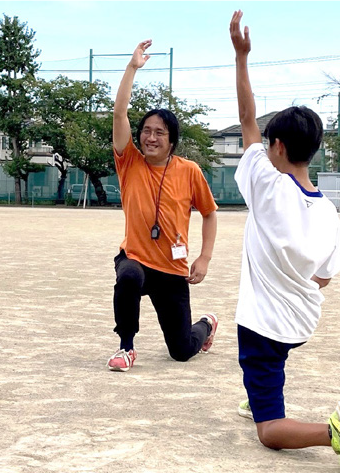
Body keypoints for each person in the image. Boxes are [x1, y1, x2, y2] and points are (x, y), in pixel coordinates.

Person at [229, 10, 340, 473]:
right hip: (303, 321)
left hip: (262, 326)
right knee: (271, 364)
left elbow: (245, 119)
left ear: (277, 147)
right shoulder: (329, 211)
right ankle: (259, 391)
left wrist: (241, 57)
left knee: (268, 429)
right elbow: (325, 276)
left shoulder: (267, 185)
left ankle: (332, 431)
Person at [107, 39, 220, 372]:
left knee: (182, 351)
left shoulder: (189, 171)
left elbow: (210, 214)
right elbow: (118, 113)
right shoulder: (130, 163)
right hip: (137, 258)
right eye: (146, 131)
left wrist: (204, 257)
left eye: (159, 132)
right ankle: (126, 347)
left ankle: (206, 324)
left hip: (172, 269)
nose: (150, 138)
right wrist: (132, 68)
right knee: (127, 276)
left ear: (172, 140)